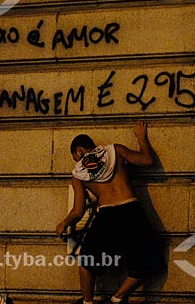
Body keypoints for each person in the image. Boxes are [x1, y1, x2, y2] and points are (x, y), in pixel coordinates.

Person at [56, 121, 165, 304]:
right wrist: (141, 138)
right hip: (131, 210)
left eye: (75, 156)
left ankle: (88, 302)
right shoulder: (115, 150)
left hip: (107, 215)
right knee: (149, 263)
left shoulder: (78, 175)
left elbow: (78, 211)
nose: (77, 161)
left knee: (86, 261)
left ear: (79, 150)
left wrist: (64, 223)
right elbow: (147, 160)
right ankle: (117, 298)